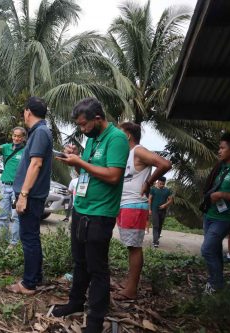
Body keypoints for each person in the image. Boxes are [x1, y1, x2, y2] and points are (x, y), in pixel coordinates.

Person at [53, 97, 129, 333]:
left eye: (85, 124)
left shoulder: (116, 139)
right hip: (82, 209)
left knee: (97, 268)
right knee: (79, 262)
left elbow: (113, 175)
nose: (82, 129)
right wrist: (75, 160)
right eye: (79, 126)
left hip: (100, 213)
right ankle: (75, 302)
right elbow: (86, 173)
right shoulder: (93, 139)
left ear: (98, 119)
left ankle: (95, 319)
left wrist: (81, 163)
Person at [114, 122, 172, 301]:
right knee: (130, 246)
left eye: (120, 133)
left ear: (128, 136)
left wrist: (148, 183)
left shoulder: (138, 150)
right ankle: (129, 283)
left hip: (134, 205)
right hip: (125, 204)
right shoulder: (128, 154)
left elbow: (165, 164)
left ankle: (131, 289)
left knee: (134, 248)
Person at [6, 97, 53, 295]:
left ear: (27, 112)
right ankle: (35, 277)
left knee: (28, 237)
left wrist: (23, 194)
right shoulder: (40, 132)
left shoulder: (40, 132)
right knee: (32, 236)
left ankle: (28, 283)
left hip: (31, 195)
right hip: (33, 194)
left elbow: (35, 164)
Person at [201, 133, 230, 294]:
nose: (219, 151)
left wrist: (222, 195)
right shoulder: (222, 168)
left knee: (206, 250)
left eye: (222, 148)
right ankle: (216, 284)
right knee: (214, 250)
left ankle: (216, 283)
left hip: (224, 218)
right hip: (210, 215)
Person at [0, 127, 26, 249]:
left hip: (18, 189)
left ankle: (13, 243)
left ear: (23, 138)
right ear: (12, 136)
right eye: (14, 135)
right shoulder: (6, 147)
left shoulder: (26, 150)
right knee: (2, 215)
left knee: (15, 217)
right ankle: (2, 241)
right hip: (5, 186)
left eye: (19, 136)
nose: (16, 138)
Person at [149, 176, 173, 247]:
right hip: (154, 210)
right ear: (157, 182)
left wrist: (165, 205)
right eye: (160, 183)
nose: (162, 185)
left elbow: (171, 200)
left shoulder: (167, 190)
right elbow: (150, 199)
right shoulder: (153, 189)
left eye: (163, 184)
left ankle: (157, 238)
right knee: (155, 225)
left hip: (163, 211)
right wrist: (149, 209)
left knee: (160, 225)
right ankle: (155, 241)